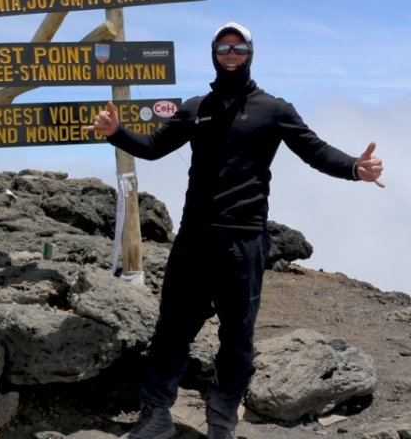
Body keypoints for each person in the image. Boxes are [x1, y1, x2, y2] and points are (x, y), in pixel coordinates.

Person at [86, 22, 384, 439]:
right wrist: (116, 133)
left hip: (244, 240)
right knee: (172, 329)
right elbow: (153, 148)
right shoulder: (195, 107)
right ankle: (156, 414)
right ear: (213, 52)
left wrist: (355, 167)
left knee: (238, 335)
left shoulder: (274, 109)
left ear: (250, 53)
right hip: (194, 238)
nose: (230, 54)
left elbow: (315, 151)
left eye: (238, 47)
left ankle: (222, 417)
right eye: (223, 47)